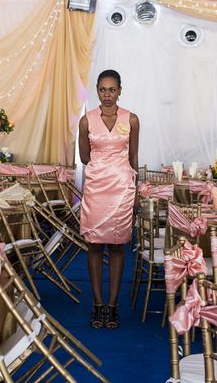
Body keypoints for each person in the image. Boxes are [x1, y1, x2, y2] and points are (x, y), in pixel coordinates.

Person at [78, 69, 139, 330]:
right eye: (103, 89)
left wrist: (136, 190)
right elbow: (84, 157)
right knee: (94, 246)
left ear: (120, 91)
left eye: (112, 89)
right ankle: (97, 303)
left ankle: (113, 306)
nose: (107, 95)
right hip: (96, 189)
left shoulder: (132, 119)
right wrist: (103, 169)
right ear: (97, 90)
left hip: (122, 189)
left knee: (117, 247)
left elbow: (133, 158)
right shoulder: (86, 120)